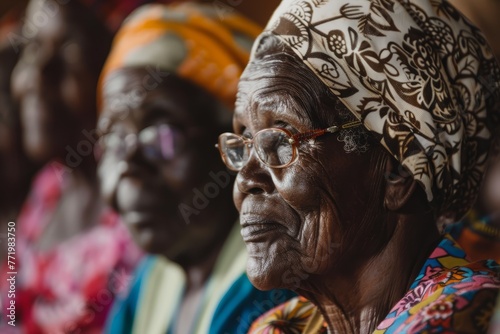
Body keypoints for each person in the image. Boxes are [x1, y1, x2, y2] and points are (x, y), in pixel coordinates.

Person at [215, 0, 500, 332]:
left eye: (280, 140)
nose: (246, 180)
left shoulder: (465, 317)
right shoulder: (282, 325)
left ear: (399, 172)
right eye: (244, 142)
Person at [97, 3, 296, 334]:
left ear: (240, 144)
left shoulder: (275, 286)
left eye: (162, 135)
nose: (128, 166)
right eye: (113, 138)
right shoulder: (149, 282)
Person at [2, 0, 143, 332]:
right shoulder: (47, 189)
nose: (36, 76)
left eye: (69, 54)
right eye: (32, 48)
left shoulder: (140, 204)